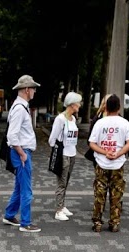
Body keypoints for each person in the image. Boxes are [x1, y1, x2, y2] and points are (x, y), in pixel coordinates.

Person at [88, 95, 129, 233]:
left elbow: (92, 143)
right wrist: (118, 153)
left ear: (106, 107)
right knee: (116, 194)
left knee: (99, 193)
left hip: (101, 163)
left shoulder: (100, 123)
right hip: (118, 164)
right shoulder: (125, 123)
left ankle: (97, 222)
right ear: (119, 107)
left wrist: (104, 152)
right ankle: (114, 222)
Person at [1, 75, 42, 233]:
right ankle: (26, 223)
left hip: (21, 151)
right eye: (33, 88)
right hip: (21, 152)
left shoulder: (19, 106)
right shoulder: (19, 109)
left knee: (20, 187)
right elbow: (12, 136)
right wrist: (22, 154)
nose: (34, 91)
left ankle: (10, 214)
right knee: (26, 189)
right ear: (26, 89)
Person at [49, 92, 82, 221]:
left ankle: (62, 206)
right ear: (72, 104)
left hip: (72, 153)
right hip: (63, 155)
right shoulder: (60, 119)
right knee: (61, 182)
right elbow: (52, 139)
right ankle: (58, 210)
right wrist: (57, 152)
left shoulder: (73, 119)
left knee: (66, 181)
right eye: (78, 103)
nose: (79, 105)